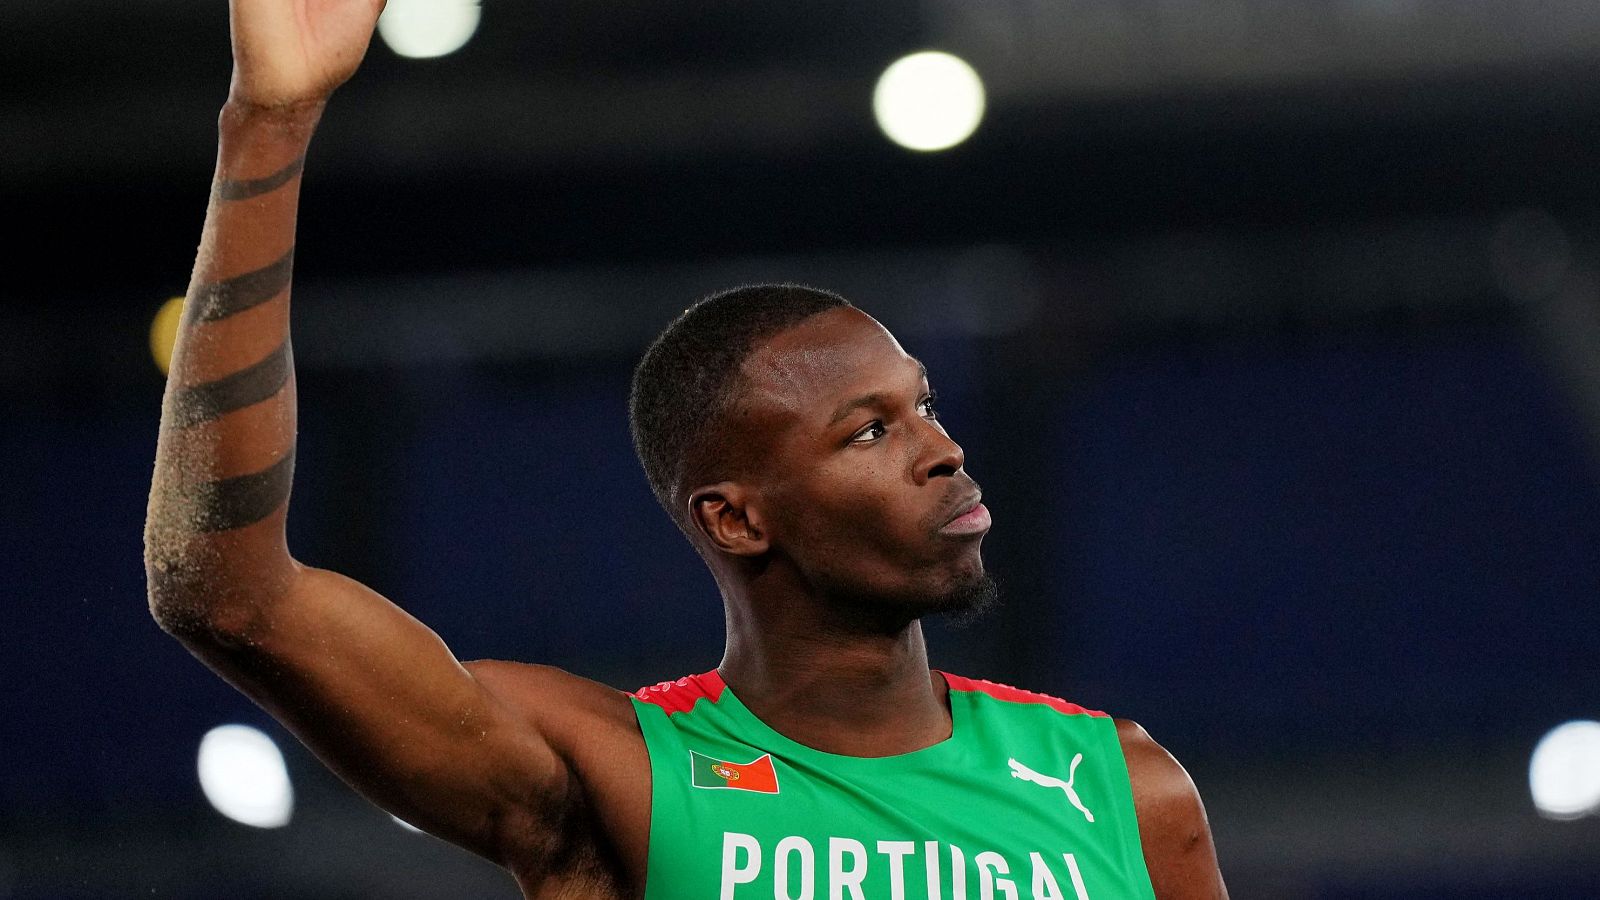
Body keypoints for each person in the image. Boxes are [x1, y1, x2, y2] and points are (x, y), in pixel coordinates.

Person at [143, 2, 1229, 897]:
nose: (942, 451)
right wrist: (269, 123)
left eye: (926, 405)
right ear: (736, 516)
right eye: (870, 430)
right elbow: (224, 595)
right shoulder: (615, 774)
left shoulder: (1122, 791)